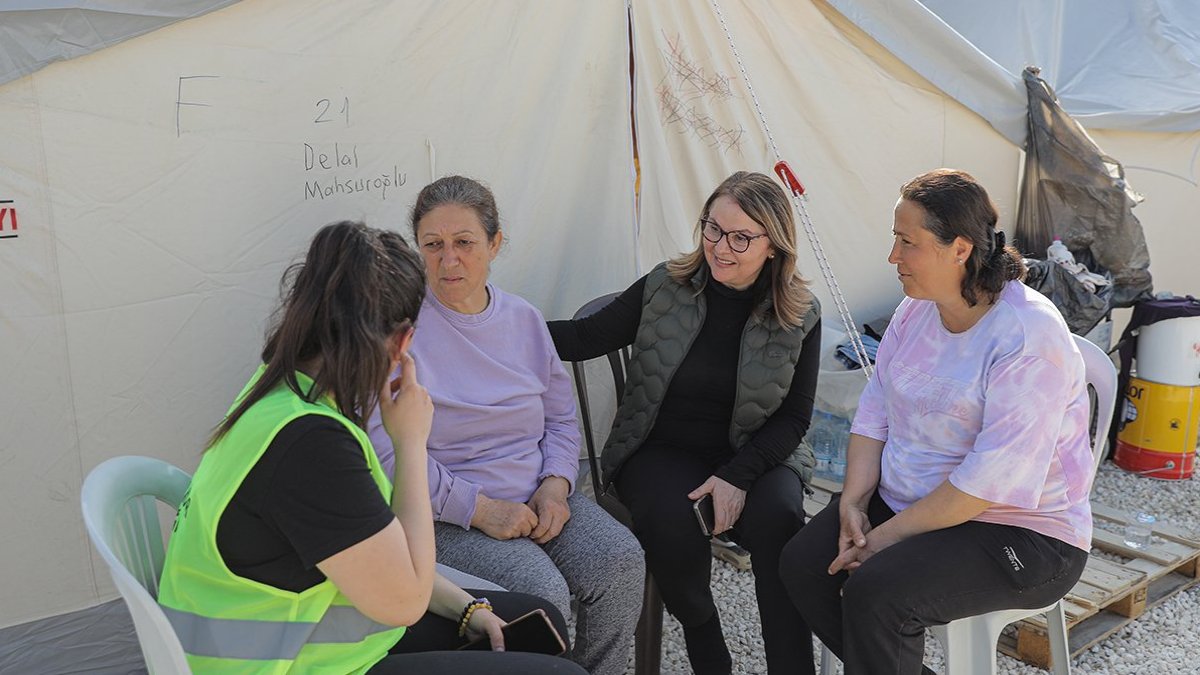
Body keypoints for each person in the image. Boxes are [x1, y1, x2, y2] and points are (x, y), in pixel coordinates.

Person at [158, 221, 585, 675]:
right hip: (279, 665)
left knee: (537, 617)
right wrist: (410, 443)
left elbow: (375, 548)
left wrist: (467, 607)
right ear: (402, 342)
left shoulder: (282, 390)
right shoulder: (312, 444)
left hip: (296, 631)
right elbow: (406, 601)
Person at [779, 169, 1094, 674]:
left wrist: (881, 539)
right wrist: (853, 503)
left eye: (908, 242)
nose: (893, 256)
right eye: (895, 239)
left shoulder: (1028, 336)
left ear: (960, 250)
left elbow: (985, 483)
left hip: (1020, 530)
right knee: (802, 566)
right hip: (913, 502)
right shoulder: (914, 311)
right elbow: (875, 410)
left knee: (877, 595)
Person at [366, 176, 645, 675]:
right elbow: (386, 451)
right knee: (542, 593)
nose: (448, 260)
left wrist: (556, 485)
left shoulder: (524, 319)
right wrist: (480, 509)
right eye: (433, 245)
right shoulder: (400, 332)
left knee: (620, 560)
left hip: (538, 497)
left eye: (464, 242)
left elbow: (560, 417)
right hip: (448, 515)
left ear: (495, 244)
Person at [549, 171, 823, 675]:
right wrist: (493, 322)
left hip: (755, 449)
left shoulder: (800, 313)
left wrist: (736, 476)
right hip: (662, 447)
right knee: (670, 519)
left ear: (773, 246)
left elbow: (794, 416)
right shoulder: (666, 285)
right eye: (713, 228)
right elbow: (585, 337)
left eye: (741, 238)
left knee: (780, 519)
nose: (720, 246)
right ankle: (706, 643)